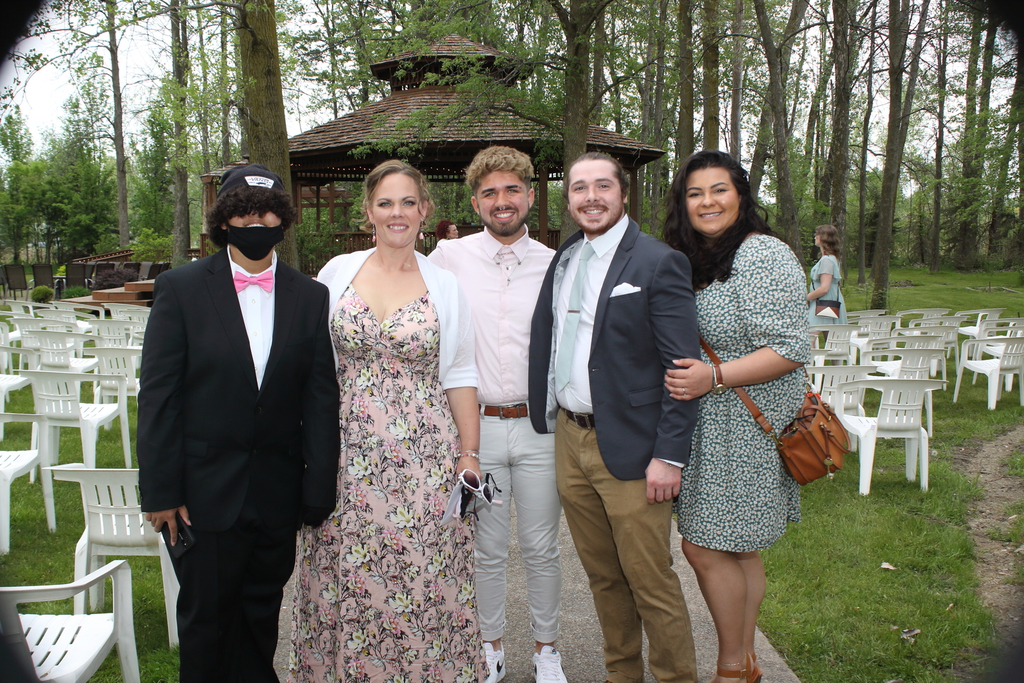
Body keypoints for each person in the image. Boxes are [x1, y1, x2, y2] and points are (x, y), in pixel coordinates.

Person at [138, 164, 340, 683]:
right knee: (207, 625)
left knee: (260, 619)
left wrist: (318, 486)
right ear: (224, 221)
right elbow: (159, 396)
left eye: (268, 213)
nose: (257, 223)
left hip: (276, 494)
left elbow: (319, 396)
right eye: (245, 213)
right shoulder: (180, 288)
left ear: (283, 220)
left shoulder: (310, 295)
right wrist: (161, 492)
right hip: (201, 498)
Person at [289, 159, 486, 683]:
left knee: (423, 569)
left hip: (424, 455)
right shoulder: (337, 273)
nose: (397, 212)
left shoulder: (445, 286)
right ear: (369, 211)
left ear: (424, 210)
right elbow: (309, 361)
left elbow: (461, 373)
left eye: (407, 202)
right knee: (345, 568)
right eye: (385, 202)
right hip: (343, 451)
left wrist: (469, 455)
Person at [528, 152, 700, 683]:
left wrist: (668, 456)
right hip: (570, 438)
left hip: (633, 447)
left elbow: (683, 369)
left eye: (603, 186)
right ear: (568, 199)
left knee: (650, 580)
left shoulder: (657, 261)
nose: (591, 197)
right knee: (603, 576)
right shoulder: (566, 257)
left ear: (623, 193)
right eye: (580, 188)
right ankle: (621, 674)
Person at [661, 150, 811, 683]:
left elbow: (791, 346)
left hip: (746, 426)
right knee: (739, 547)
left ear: (740, 196)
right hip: (711, 424)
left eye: (719, 190)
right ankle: (745, 662)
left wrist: (715, 376)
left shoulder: (762, 253)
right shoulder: (693, 257)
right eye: (695, 193)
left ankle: (729, 667)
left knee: (704, 545)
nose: (708, 202)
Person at [429, 146, 566, 683]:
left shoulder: (556, 264)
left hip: (539, 429)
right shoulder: (448, 258)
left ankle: (547, 651)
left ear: (530, 195)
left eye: (512, 190)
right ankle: (489, 648)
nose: (501, 200)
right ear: (475, 202)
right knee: (484, 549)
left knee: (541, 548)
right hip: (476, 429)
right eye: (489, 192)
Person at [806, 224, 847, 324]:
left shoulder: (827, 260)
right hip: (825, 303)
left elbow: (824, 288)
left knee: (812, 331)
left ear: (825, 237)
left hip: (824, 304)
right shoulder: (830, 258)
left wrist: (805, 298)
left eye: (817, 234)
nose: (815, 237)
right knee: (829, 332)